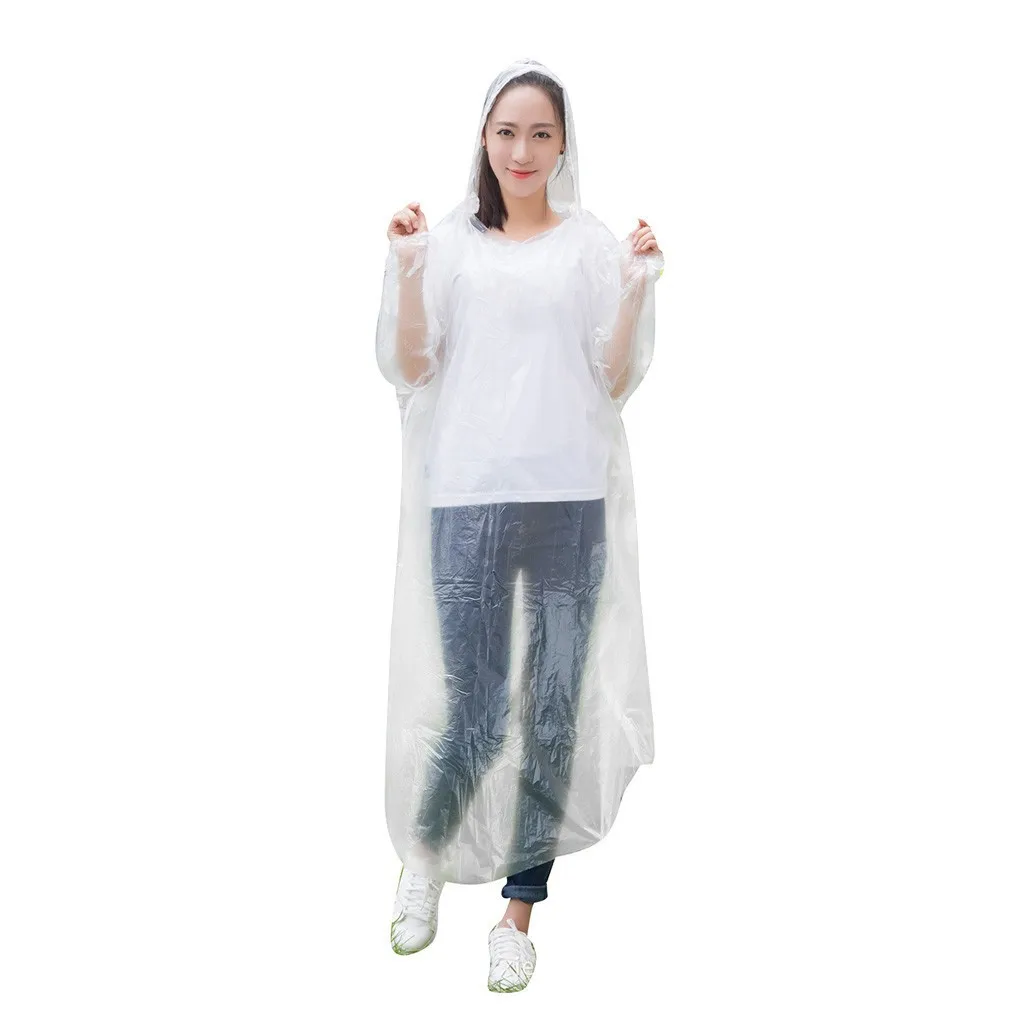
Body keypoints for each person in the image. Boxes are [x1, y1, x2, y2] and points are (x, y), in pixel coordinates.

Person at [375, 58, 665, 993]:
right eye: (508, 132)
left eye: (541, 133)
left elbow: (611, 378)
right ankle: (425, 860)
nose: (523, 150)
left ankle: (517, 913)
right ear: (484, 139)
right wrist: (408, 270)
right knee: (472, 706)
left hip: (569, 500)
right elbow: (412, 366)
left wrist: (636, 285)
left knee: (550, 711)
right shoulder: (448, 245)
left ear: (564, 143)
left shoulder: (588, 246)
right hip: (467, 497)